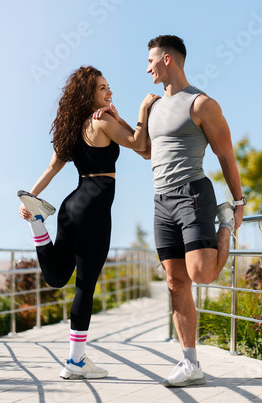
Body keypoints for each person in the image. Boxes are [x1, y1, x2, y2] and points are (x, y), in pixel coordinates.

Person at [17, 66, 158, 380]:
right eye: (102, 88)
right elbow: (139, 143)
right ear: (89, 94)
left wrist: (29, 196)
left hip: (71, 204)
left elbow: (54, 166)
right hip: (94, 207)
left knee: (56, 277)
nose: (109, 92)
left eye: (109, 87)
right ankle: (76, 361)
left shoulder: (76, 126)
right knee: (85, 285)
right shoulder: (102, 121)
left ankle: (38, 224)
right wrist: (143, 109)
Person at [143, 35, 246, 387]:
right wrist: (139, 112)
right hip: (161, 200)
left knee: (201, 274)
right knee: (175, 282)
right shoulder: (155, 107)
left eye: (152, 60)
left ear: (168, 59)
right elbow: (146, 150)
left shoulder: (201, 104)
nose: (148, 67)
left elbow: (226, 154)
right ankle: (190, 363)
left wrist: (239, 201)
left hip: (193, 194)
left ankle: (226, 225)